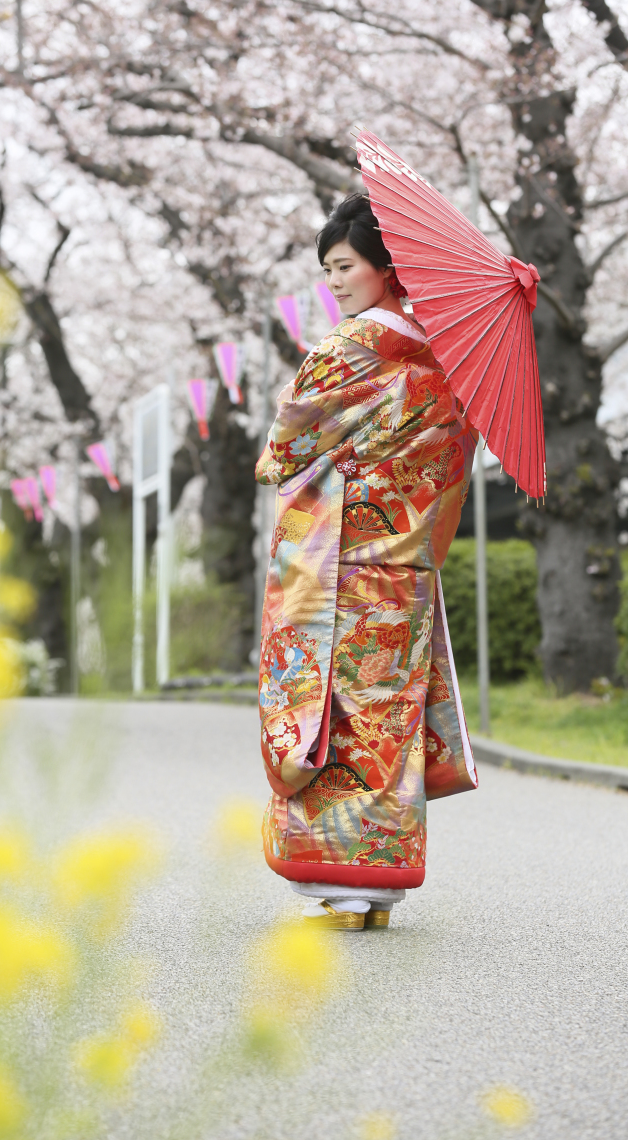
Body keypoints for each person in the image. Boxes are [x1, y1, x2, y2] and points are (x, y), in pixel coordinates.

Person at [256, 193, 478, 930]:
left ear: (386, 267)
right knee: (391, 721)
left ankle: (348, 891)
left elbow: (284, 445)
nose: (336, 282)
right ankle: (377, 892)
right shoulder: (449, 355)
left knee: (340, 721)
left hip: (345, 568)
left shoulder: (353, 345)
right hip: (408, 570)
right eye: (328, 270)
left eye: (345, 266)